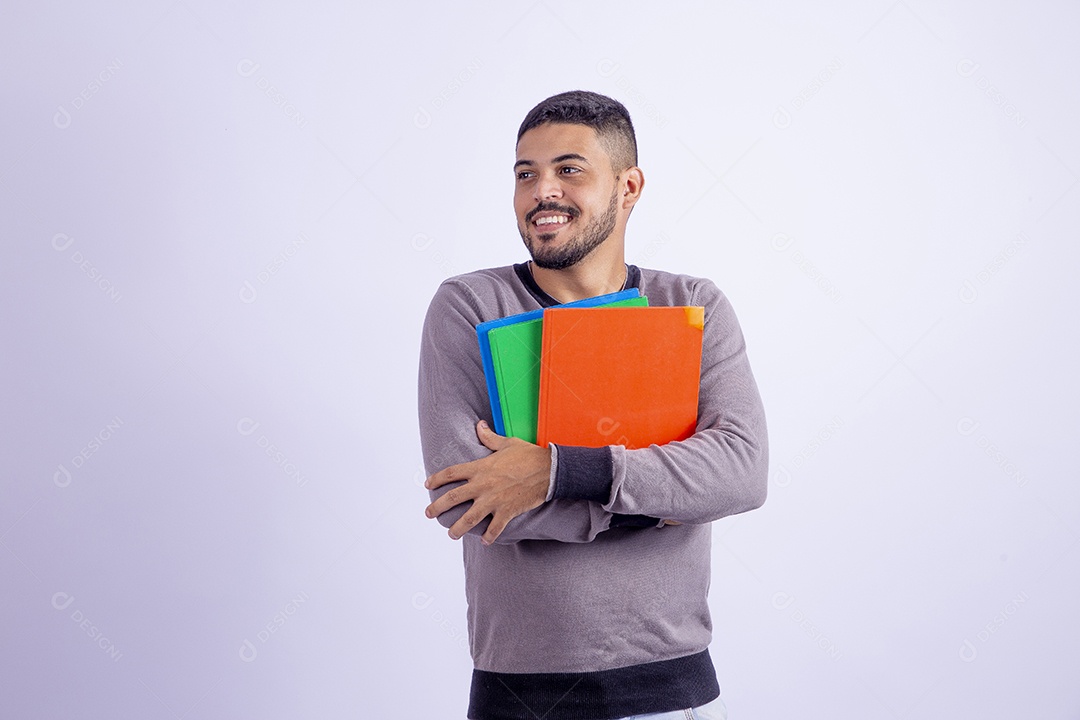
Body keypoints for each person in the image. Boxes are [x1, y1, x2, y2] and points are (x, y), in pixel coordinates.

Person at [418, 90, 768, 720]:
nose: (541, 191)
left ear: (628, 187)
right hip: (521, 693)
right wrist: (661, 504)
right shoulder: (470, 306)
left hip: (670, 688)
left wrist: (554, 472)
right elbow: (469, 498)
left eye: (568, 169)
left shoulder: (691, 305)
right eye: (526, 174)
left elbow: (740, 470)